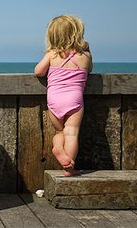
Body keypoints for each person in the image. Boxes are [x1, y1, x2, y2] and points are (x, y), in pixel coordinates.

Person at [34, 15, 93, 176]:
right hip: (74, 100)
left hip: (54, 100)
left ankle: (58, 148)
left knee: (59, 132)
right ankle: (69, 169)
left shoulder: (52, 54)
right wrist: (86, 49)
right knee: (71, 132)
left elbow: (38, 72)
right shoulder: (85, 56)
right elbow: (90, 69)